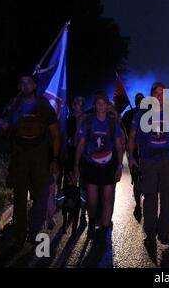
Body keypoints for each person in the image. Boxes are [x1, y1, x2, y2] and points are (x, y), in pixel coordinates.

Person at [0, 74, 60, 247]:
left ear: (34, 85)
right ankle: (19, 235)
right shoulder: (13, 107)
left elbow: (55, 134)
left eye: (28, 82)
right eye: (22, 82)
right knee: (19, 198)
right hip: (20, 158)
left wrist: (54, 158)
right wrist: (0, 126)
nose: (25, 85)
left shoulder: (44, 106)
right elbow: (3, 129)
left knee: (41, 197)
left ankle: (34, 227)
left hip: (40, 158)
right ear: (19, 86)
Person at [128, 82, 169, 245]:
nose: (159, 97)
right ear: (151, 96)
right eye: (156, 93)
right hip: (148, 160)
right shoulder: (142, 114)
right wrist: (131, 157)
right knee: (149, 198)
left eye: (162, 93)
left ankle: (164, 233)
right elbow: (133, 136)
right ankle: (150, 233)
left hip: (168, 160)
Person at [73, 91, 124, 242]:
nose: (101, 106)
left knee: (108, 198)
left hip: (108, 166)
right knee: (92, 200)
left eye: (104, 103)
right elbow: (81, 145)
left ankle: (104, 229)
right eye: (98, 103)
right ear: (95, 105)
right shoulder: (88, 121)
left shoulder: (112, 123)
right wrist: (76, 166)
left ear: (108, 105)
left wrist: (119, 166)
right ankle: (92, 221)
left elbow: (119, 147)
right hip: (91, 165)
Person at [65, 96, 87, 226]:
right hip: (70, 153)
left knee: (83, 185)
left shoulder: (84, 118)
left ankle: (83, 213)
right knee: (70, 182)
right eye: (75, 101)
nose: (77, 104)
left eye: (80, 102)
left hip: (83, 154)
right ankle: (71, 208)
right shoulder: (69, 119)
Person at [122, 93, 145, 218]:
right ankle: (138, 204)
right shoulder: (129, 114)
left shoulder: (129, 114)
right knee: (138, 179)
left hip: (140, 152)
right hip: (136, 152)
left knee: (138, 180)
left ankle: (139, 204)